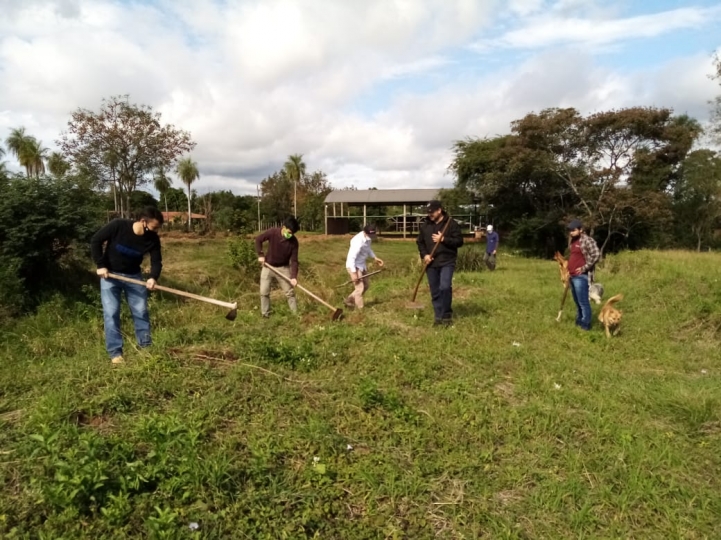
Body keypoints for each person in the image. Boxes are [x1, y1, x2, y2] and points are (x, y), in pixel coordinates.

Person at [90, 207, 164, 364]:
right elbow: (96, 240)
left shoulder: (153, 239)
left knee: (141, 311)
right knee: (111, 313)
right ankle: (116, 354)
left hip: (134, 278)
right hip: (110, 276)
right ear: (143, 222)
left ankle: (145, 348)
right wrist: (100, 265)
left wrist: (153, 277)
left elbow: (156, 261)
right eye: (154, 227)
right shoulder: (118, 225)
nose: (156, 231)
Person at [416, 200, 464, 326]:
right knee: (435, 291)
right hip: (431, 264)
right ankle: (438, 317)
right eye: (428, 212)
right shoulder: (425, 225)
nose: (430, 215)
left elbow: (459, 241)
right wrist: (425, 255)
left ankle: (447, 315)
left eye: (432, 212)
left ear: (439, 210)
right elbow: (420, 242)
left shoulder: (450, 224)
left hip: (447, 261)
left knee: (445, 287)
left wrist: (443, 239)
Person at [255, 217, 300, 318]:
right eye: (289, 232)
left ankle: (296, 315)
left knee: (290, 293)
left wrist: (293, 276)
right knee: (264, 292)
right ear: (283, 227)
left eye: (293, 233)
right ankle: (265, 315)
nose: (290, 235)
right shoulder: (273, 233)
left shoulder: (293, 242)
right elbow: (258, 240)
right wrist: (260, 255)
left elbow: (294, 261)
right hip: (268, 266)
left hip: (283, 268)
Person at [567, 219, 601, 331]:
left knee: (583, 302)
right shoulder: (573, 241)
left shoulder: (587, 240)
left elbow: (596, 254)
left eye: (574, 230)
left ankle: (585, 325)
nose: (571, 232)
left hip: (581, 276)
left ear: (581, 230)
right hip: (572, 276)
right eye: (570, 230)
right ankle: (579, 322)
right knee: (577, 302)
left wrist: (584, 268)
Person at [344, 223, 384, 309]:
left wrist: (375, 257)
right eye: (371, 234)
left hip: (362, 264)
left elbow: (368, 249)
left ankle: (349, 300)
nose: (372, 236)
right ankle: (360, 310)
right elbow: (351, 258)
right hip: (354, 266)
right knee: (359, 288)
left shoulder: (368, 238)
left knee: (366, 285)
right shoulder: (357, 241)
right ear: (365, 232)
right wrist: (353, 273)